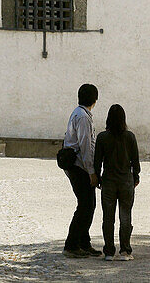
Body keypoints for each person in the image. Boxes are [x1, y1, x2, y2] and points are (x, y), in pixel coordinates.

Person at [94, 103, 141, 261]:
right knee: (125, 216)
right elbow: (135, 161)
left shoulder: (102, 137)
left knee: (108, 217)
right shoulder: (130, 137)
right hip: (125, 180)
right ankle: (125, 251)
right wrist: (136, 177)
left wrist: (98, 178)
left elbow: (97, 161)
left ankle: (108, 251)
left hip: (108, 180)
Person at [61, 82, 101, 259]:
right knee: (86, 205)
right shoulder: (83, 117)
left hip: (76, 165)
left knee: (88, 205)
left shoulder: (79, 113)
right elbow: (86, 146)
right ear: (95, 99)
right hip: (79, 166)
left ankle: (83, 243)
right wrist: (92, 172)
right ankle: (71, 244)